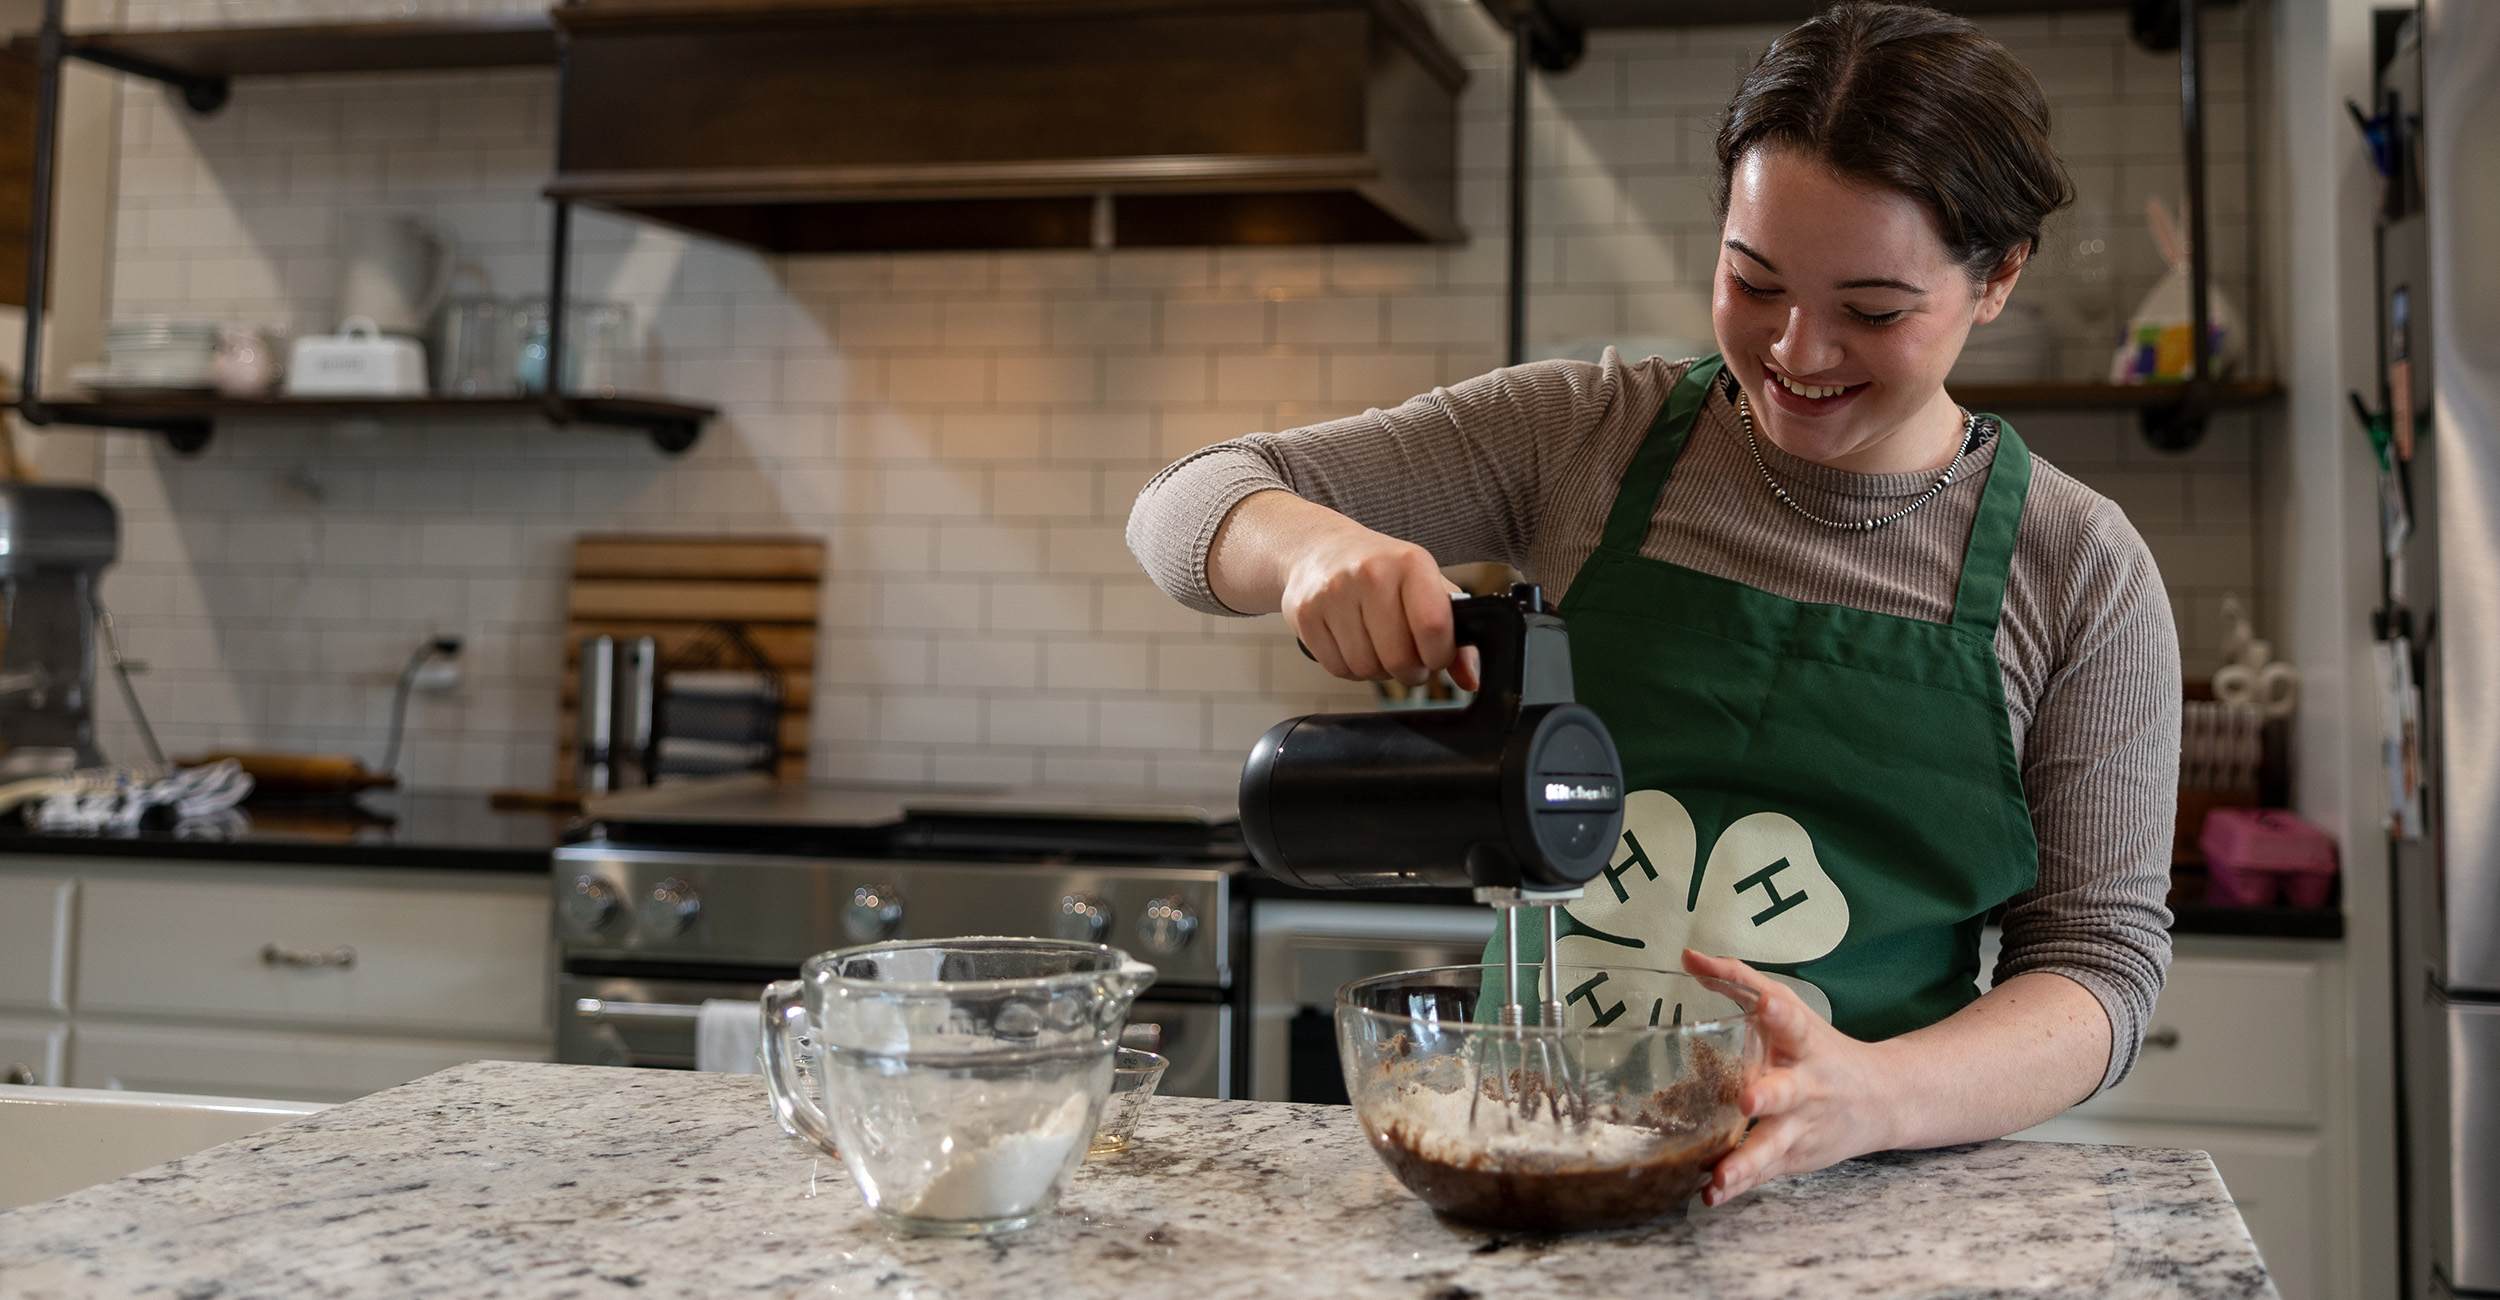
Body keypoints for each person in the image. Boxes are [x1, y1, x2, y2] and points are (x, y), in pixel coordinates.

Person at [1126, 2, 2178, 1207]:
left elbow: (2098, 971)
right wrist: (1309, 550)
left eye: (1872, 310)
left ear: (1997, 279)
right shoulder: (1582, 437)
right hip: (1550, 1158)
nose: (1797, 349)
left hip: (1876, 1196)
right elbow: (1183, 506)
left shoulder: (2081, 569)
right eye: (1753, 279)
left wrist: (1871, 1094)